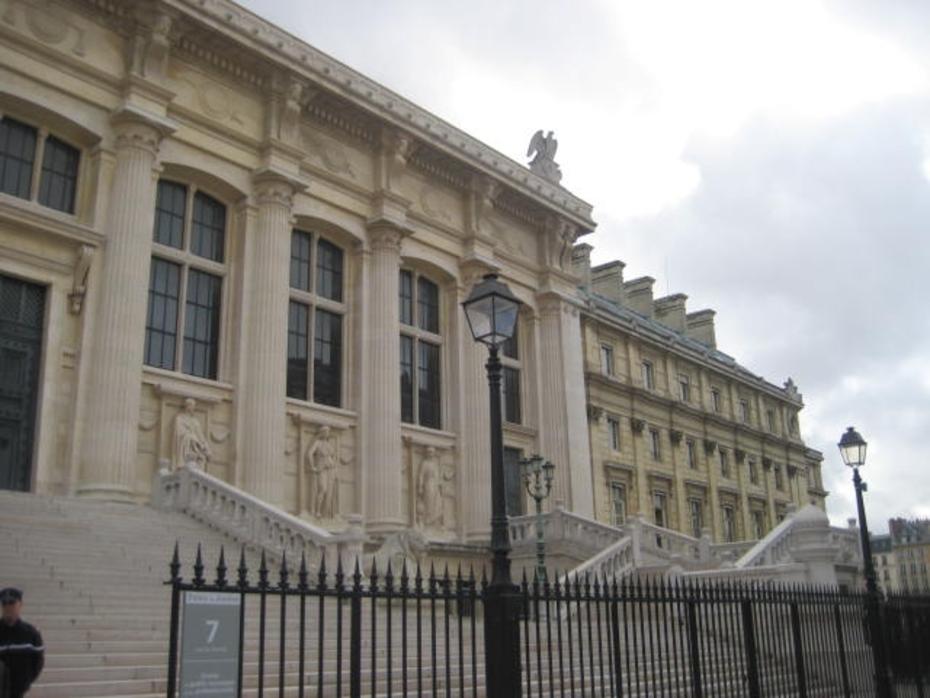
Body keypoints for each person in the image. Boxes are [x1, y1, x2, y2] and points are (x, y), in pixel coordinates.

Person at [0, 588, 43, 698]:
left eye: (12, 603)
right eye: (4, 603)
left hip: (18, 692)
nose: (8, 607)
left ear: (20, 605)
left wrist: (25, 682)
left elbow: (37, 662)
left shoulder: (31, 633)